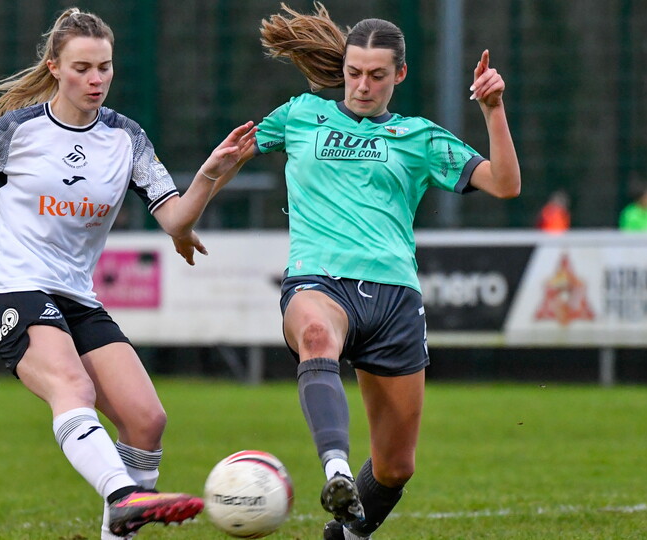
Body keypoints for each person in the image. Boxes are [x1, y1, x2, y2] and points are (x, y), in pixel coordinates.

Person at [0, 8, 255, 538]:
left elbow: (174, 216)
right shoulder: (16, 130)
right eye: (82, 68)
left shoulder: (127, 139)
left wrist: (211, 173)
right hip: (11, 289)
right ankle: (124, 496)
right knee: (73, 386)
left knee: (146, 419)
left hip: (76, 296)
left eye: (105, 67)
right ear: (54, 67)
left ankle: (120, 519)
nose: (96, 79)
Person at [210, 5, 521, 539]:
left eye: (377, 76)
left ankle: (348, 532)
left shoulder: (419, 137)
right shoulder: (302, 114)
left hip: (394, 299)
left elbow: (505, 184)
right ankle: (333, 466)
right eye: (354, 73)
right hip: (319, 280)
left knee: (397, 466)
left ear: (399, 75)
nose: (362, 85)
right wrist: (183, 215)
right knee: (314, 334)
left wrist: (493, 109)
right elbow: (227, 159)